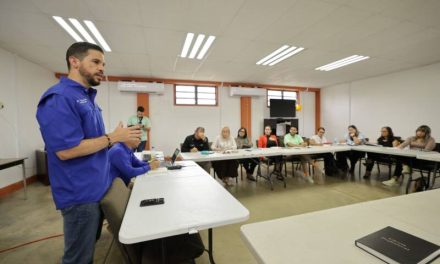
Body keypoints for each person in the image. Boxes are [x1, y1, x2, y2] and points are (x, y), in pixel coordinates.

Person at [36, 42, 141, 264]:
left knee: (88, 250)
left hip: (97, 188)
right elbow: (66, 151)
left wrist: (118, 138)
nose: (102, 67)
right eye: (95, 62)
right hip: (80, 195)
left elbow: (94, 141)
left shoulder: (87, 98)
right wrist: (114, 137)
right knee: (78, 258)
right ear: (74, 62)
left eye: (103, 63)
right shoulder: (59, 98)